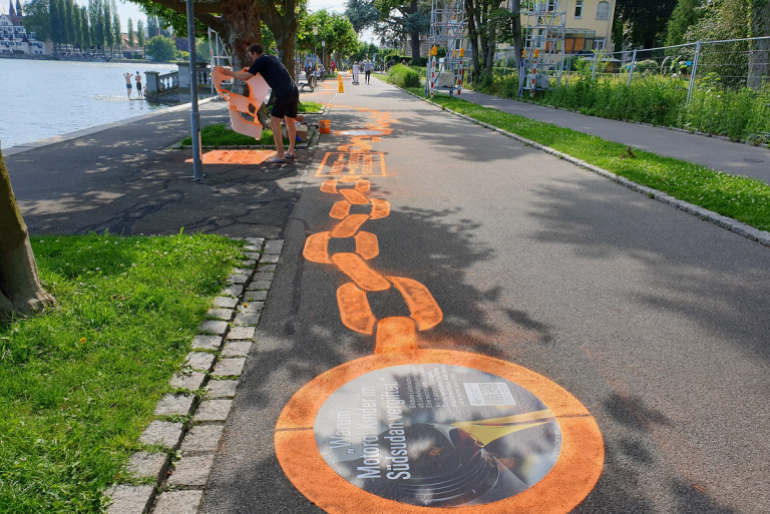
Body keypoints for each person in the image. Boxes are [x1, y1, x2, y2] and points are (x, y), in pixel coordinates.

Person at [220, 44, 299, 163]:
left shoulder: (260, 60)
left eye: (251, 55)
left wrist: (229, 73)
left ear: (255, 53)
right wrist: (251, 70)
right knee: (289, 120)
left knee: (274, 122)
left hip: (283, 93)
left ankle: (280, 154)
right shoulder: (271, 58)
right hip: (293, 90)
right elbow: (265, 72)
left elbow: (246, 77)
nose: (251, 58)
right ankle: (291, 150)